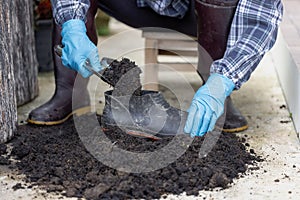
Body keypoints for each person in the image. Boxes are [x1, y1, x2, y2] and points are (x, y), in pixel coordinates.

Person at [28, 0, 283, 137]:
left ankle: (216, 97)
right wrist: (72, 25)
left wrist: (224, 79)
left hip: (199, 13)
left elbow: (261, 19)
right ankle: (70, 92)